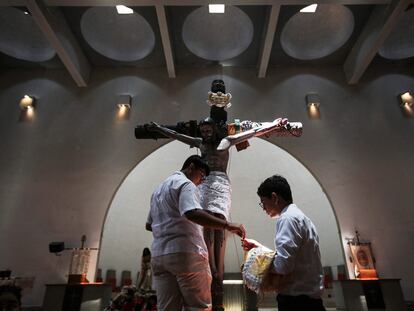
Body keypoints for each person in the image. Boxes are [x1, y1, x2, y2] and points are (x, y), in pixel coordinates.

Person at [145, 155, 245, 311]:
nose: (201, 181)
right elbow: (191, 213)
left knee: (167, 308)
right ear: (191, 167)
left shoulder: (158, 190)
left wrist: (170, 227)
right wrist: (227, 224)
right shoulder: (186, 184)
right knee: (198, 307)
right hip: (186, 254)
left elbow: (149, 225)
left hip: (159, 256)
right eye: (202, 175)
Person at [242, 175, 326, 311]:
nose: (263, 208)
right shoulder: (301, 218)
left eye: (263, 202)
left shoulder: (287, 219)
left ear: (274, 198)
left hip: (296, 302)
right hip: (310, 300)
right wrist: (260, 247)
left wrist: (256, 259)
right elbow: (291, 257)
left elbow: (283, 266)